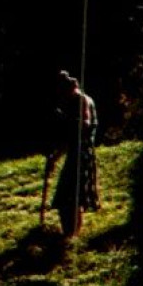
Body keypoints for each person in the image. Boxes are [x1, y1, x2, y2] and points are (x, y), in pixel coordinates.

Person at [48, 70, 100, 238]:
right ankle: (68, 234)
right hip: (73, 153)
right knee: (65, 198)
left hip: (82, 154)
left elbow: (84, 124)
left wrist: (70, 120)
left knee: (74, 197)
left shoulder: (82, 100)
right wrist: (54, 158)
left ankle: (73, 235)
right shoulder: (71, 102)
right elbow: (68, 138)